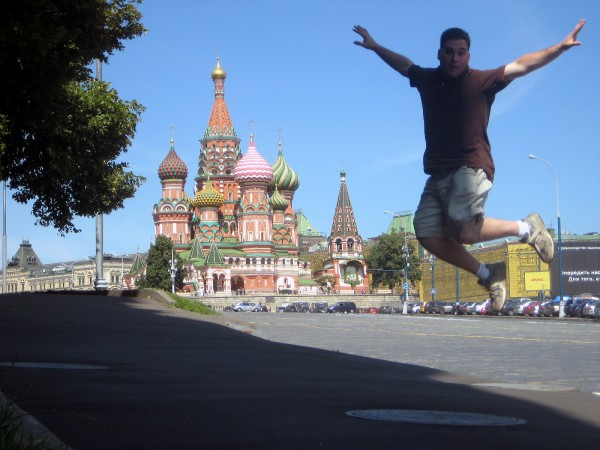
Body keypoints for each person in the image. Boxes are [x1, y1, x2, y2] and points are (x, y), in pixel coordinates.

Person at [353, 20, 585, 311]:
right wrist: (375, 47)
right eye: (449, 52)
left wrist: (559, 48)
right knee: (425, 232)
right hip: (437, 174)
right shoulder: (428, 80)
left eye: (461, 52)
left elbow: (521, 65)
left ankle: (527, 228)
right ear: (440, 54)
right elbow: (404, 65)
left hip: (469, 167)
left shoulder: (480, 81)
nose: (454, 58)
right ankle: (489, 274)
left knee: (466, 231)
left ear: (468, 56)